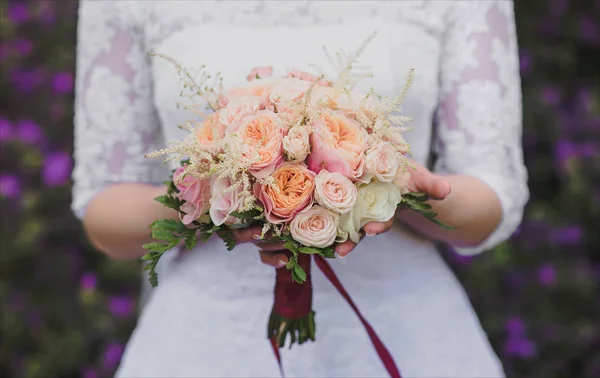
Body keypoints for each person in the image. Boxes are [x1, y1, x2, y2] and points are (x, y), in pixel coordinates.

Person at [72, 1, 529, 377]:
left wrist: (393, 188)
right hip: (208, 339)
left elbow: (489, 198)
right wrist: (220, 192)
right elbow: (104, 208)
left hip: (408, 329)